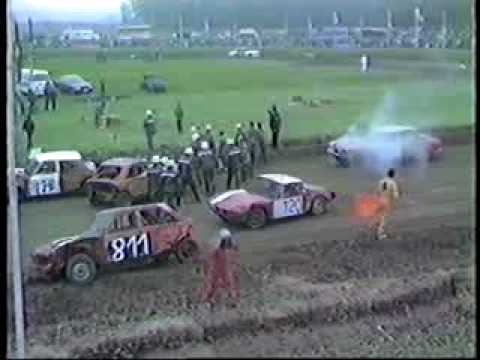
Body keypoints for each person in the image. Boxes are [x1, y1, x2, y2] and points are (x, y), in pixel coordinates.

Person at [199, 228, 240, 304]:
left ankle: (232, 300)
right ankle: (208, 300)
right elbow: (209, 259)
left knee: (229, 285)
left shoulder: (232, 249)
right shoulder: (218, 250)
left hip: (226, 271)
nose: (227, 241)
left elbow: (235, 259)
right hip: (218, 271)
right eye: (226, 239)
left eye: (228, 239)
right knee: (213, 286)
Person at [374, 168, 401, 240]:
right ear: (393, 175)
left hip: (379, 200)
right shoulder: (392, 182)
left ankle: (378, 228)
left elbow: (377, 191)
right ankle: (379, 234)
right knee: (383, 218)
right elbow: (396, 195)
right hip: (386, 201)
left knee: (379, 216)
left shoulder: (381, 181)